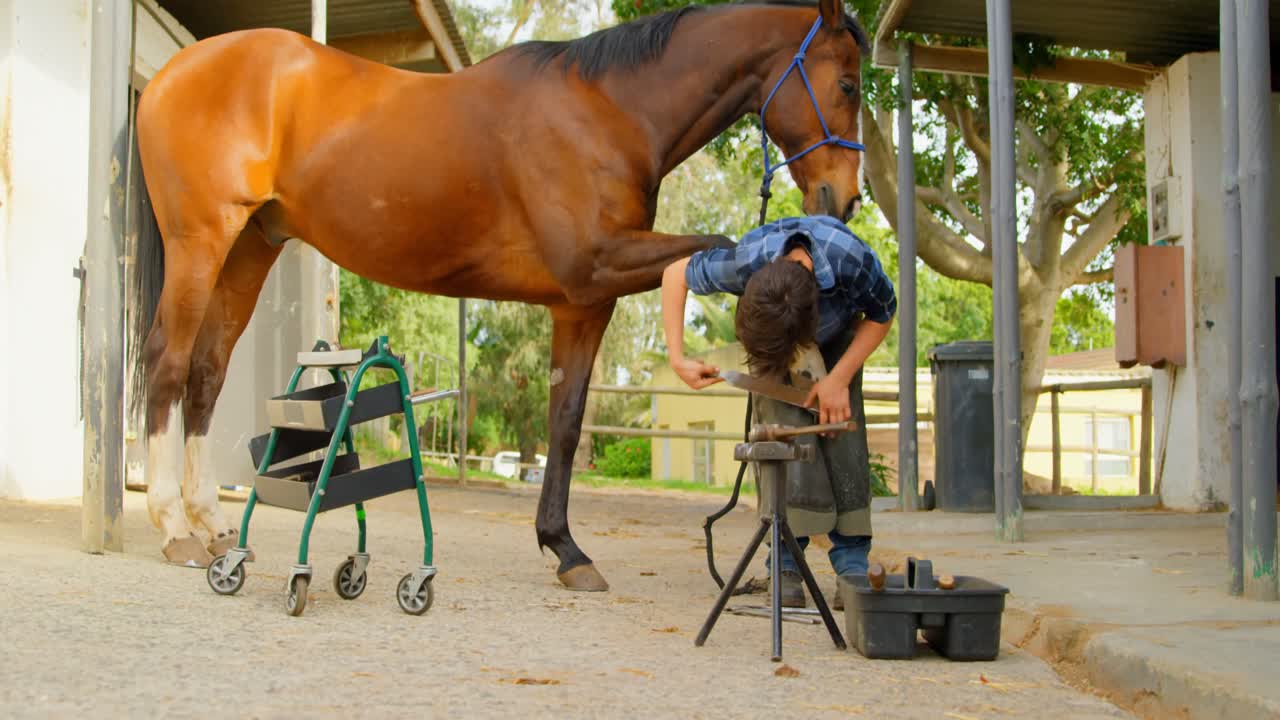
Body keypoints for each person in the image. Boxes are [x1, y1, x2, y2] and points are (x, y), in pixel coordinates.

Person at [660, 214, 896, 607]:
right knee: (780, 440)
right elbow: (674, 274)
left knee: (843, 438)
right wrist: (677, 356)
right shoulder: (745, 261)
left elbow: (883, 312)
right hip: (773, 345)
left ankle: (852, 561)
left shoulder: (849, 259)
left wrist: (836, 379)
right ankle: (786, 560)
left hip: (839, 339)